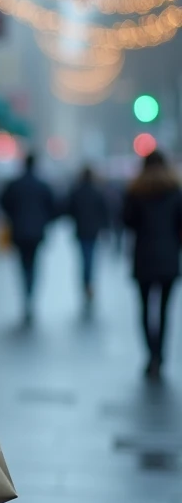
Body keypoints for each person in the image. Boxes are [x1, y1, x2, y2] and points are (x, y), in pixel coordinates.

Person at [123, 150, 182, 379]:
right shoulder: (174, 191)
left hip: (144, 257)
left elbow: (127, 221)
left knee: (145, 308)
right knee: (165, 310)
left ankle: (151, 354)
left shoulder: (136, 191)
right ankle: (160, 354)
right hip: (168, 258)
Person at [0, 153, 58, 324]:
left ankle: (26, 294)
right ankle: (30, 294)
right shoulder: (42, 185)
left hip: (19, 232)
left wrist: (13, 217)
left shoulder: (15, 185)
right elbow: (53, 207)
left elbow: (3, 202)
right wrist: (43, 221)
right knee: (34, 264)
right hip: (37, 233)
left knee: (23, 264)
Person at [65, 165, 109, 309]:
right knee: (90, 258)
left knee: (84, 258)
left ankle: (86, 284)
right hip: (93, 231)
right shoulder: (97, 192)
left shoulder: (76, 192)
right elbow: (104, 211)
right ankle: (89, 285)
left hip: (81, 231)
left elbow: (69, 209)